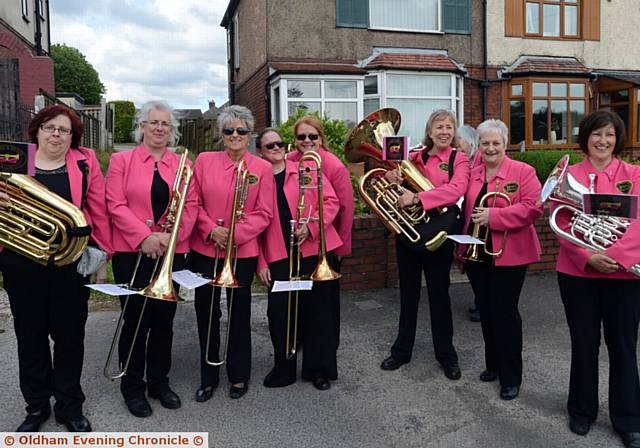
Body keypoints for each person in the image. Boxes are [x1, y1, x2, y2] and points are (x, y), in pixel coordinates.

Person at [0, 104, 112, 432]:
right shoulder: (14, 159)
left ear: (73, 137)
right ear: (36, 130)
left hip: (69, 263)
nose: (56, 135)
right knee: (30, 337)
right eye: (49, 127)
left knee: (69, 337)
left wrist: (101, 255)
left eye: (64, 130)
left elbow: (98, 208)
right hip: (21, 262)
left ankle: (69, 406)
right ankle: (36, 406)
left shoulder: (84, 162)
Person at [553, 110, 640, 448]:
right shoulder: (570, 174)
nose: (603, 141)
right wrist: (588, 255)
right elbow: (560, 220)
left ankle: (629, 417)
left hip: (625, 275)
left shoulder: (633, 174)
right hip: (577, 273)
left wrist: (615, 257)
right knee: (584, 343)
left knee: (623, 346)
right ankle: (581, 410)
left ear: (618, 139)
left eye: (610, 135)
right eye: (596, 134)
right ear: (585, 138)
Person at [105, 100, 197, 418]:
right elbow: (114, 204)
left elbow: (192, 205)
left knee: (164, 323)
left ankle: (159, 383)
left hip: (169, 253)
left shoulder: (182, 164)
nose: (160, 128)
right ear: (141, 126)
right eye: (153, 122)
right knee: (135, 322)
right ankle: (132, 387)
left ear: (172, 131)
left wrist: (170, 239)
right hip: (132, 253)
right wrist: (143, 237)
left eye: (165, 124)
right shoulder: (121, 161)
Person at [189, 105, 274, 401]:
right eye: (229, 130)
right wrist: (212, 230)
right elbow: (193, 203)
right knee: (207, 313)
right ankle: (208, 375)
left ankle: (239, 375)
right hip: (206, 247)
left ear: (250, 134)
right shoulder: (203, 161)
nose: (235, 135)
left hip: (243, 251)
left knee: (240, 314)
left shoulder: (261, 168)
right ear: (221, 133)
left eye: (241, 130)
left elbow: (265, 213)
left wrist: (235, 235)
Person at [380, 109, 469, 380]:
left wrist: (419, 199)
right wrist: (391, 178)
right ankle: (401, 351)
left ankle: (446, 355)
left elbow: (457, 190)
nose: (444, 131)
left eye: (448, 127)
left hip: (438, 234)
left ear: (454, 132)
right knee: (408, 294)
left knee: (439, 295)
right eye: (438, 127)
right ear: (429, 132)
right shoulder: (413, 157)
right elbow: (391, 184)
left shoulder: (459, 158)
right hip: (409, 231)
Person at [458, 119, 542, 400]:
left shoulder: (524, 171)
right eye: (485, 143)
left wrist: (495, 218)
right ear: (478, 146)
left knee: (505, 313)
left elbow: (533, 208)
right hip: (476, 252)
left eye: (496, 143)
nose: (490, 148)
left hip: (511, 254)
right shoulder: (473, 171)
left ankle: (511, 376)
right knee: (486, 309)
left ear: (505, 144)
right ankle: (492, 364)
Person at [255, 128, 342, 390]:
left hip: (313, 250)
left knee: (317, 312)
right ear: (260, 151)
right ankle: (284, 368)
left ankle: (317, 370)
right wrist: (261, 262)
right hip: (277, 255)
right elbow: (251, 224)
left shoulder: (305, 170)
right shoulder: (255, 178)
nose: (276, 148)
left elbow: (331, 202)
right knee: (279, 313)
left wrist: (311, 227)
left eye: (279, 144)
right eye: (269, 146)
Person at [285, 115, 354, 347]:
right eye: (301, 136)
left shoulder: (332, 164)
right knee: (302, 297)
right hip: (297, 242)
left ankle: (328, 345)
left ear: (321, 138)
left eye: (312, 136)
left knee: (326, 302)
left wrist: (343, 246)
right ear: (295, 140)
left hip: (326, 242)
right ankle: (303, 339)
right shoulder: (290, 160)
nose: (307, 141)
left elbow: (345, 207)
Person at [456, 124, 481, 322]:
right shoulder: (461, 159)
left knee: (477, 261)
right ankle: (480, 299)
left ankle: (481, 302)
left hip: (478, 219)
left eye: (459, 140)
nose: (457, 144)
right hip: (464, 217)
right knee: (469, 261)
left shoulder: (478, 160)